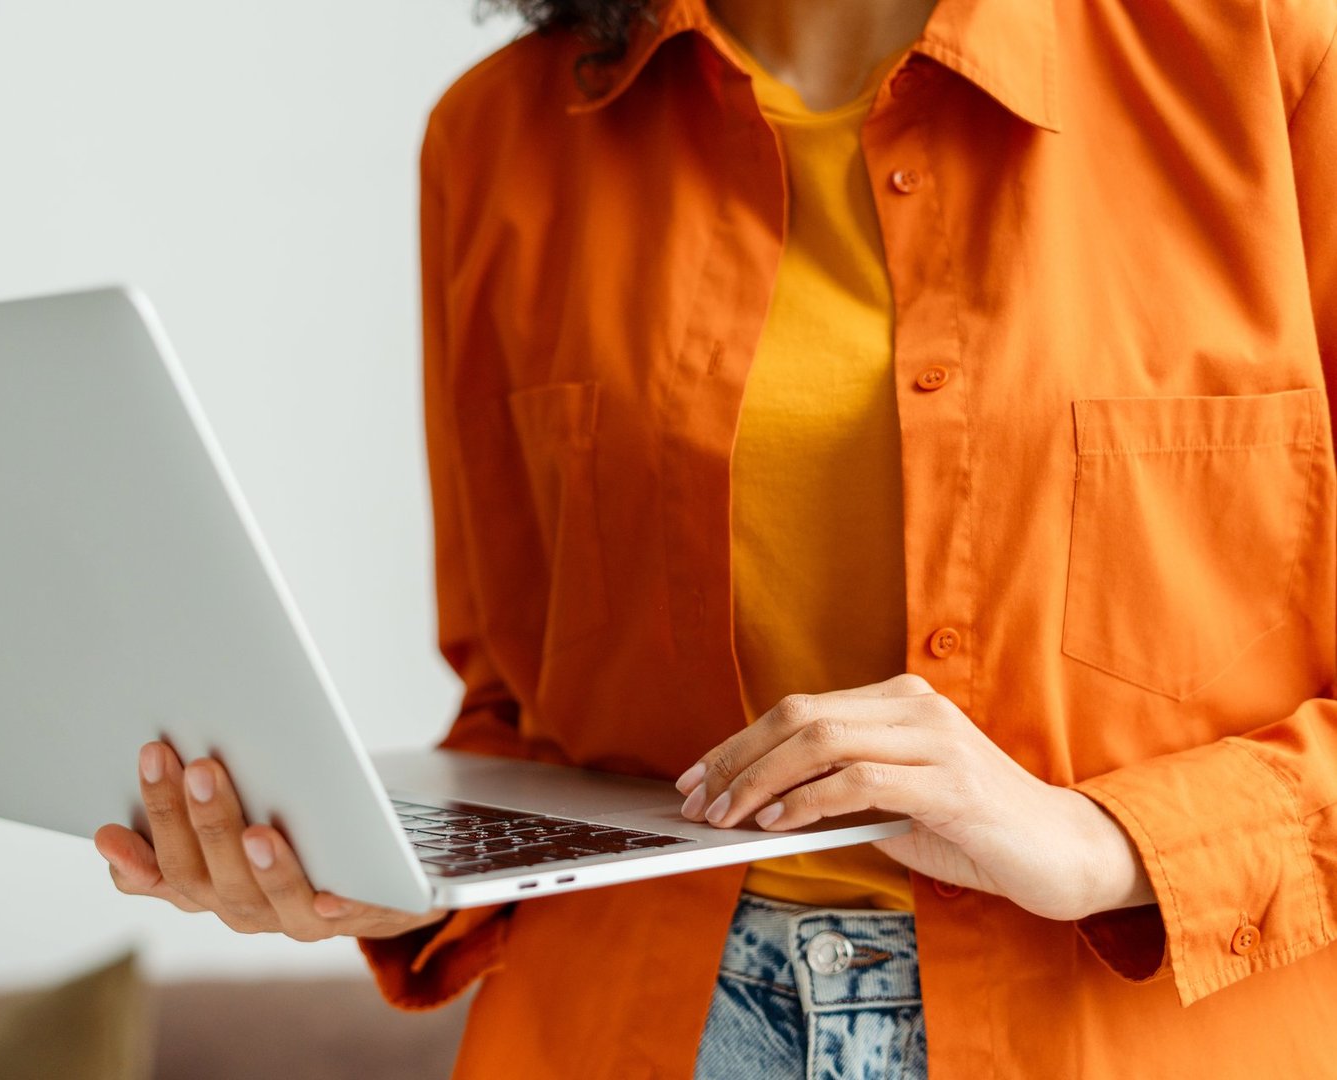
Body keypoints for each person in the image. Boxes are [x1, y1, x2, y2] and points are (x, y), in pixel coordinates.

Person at [93, 0, 1337, 1074]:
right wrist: (365, 858)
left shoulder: (1270, 64)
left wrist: (1108, 843)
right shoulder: (500, 136)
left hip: (1125, 1032)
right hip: (624, 1026)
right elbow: (518, 706)